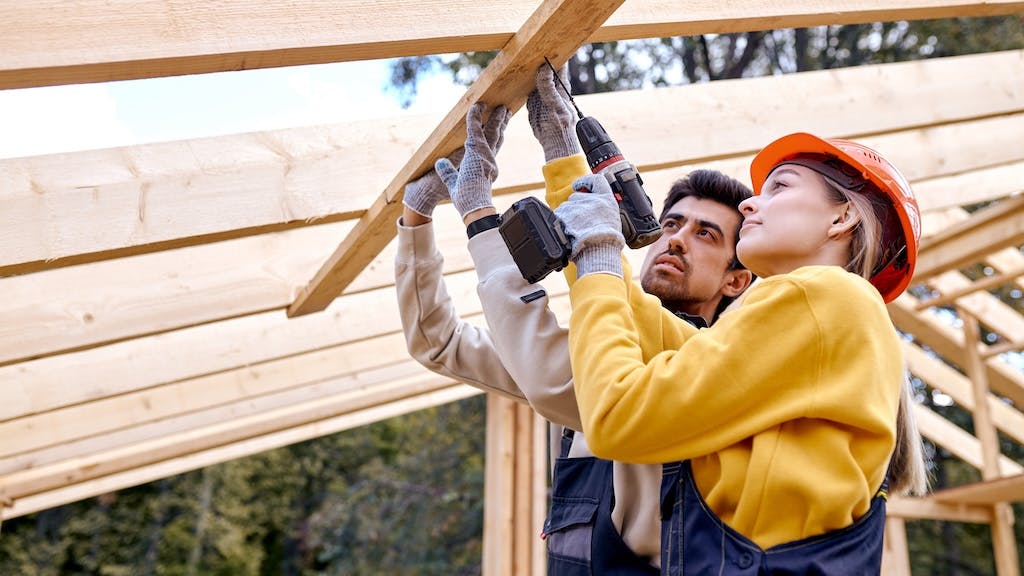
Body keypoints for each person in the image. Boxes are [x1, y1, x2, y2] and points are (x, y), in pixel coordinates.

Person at [395, 66, 753, 573]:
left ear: (736, 281)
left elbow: (555, 371)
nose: (676, 238)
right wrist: (416, 218)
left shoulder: (711, 366)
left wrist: (483, 214)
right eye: (672, 223)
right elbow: (440, 342)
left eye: (706, 235)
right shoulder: (604, 343)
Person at [555, 132, 930, 574]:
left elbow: (619, 414)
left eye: (780, 186)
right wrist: (566, 171)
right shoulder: (808, 319)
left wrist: (597, 250)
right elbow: (650, 327)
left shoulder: (825, 295)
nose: (750, 204)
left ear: (841, 217)